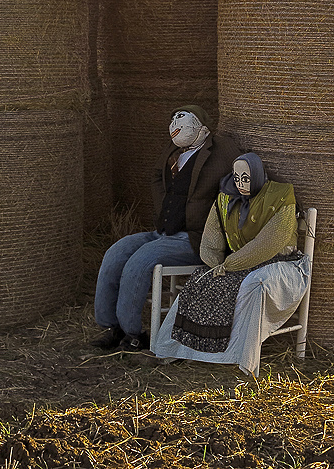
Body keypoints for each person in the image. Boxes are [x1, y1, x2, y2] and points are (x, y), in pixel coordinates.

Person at [92, 105, 241, 351]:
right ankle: (111, 327)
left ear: (202, 127)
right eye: (174, 119)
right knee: (116, 253)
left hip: (193, 238)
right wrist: (162, 206)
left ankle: (133, 334)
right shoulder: (174, 150)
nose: (176, 124)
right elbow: (155, 176)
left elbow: (241, 177)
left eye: (183, 119)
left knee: (139, 262)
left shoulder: (221, 149)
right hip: (162, 232)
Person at [151, 152, 311, 375]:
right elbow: (211, 236)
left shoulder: (280, 196)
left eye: (246, 178)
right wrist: (215, 263)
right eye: (237, 178)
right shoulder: (226, 196)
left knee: (248, 286)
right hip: (235, 263)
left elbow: (271, 240)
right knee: (201, 281)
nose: (241, 183)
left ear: (256, 175)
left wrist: (232, 264)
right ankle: (177, 349)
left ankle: (239, 357)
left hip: (275, 259)